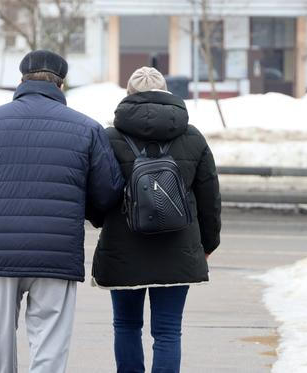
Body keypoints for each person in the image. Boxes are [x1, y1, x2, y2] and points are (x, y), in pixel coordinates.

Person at [0, 50, 124, 373]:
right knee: (50, 345)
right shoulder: (87, 129)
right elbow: (109, 191)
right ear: (61, 84)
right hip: (57, 251)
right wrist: (85, 212)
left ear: (22, 80)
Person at [91, 67, 222, 373]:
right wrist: (208, 243)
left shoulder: (108, 137)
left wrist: (102, 222)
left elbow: (97, 194)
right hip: (177, 248)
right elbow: (209, 197)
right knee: (167, 331)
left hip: (123, 248)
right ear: (167, 94)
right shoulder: (192, 136)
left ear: (128, 95)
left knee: (126, 326)